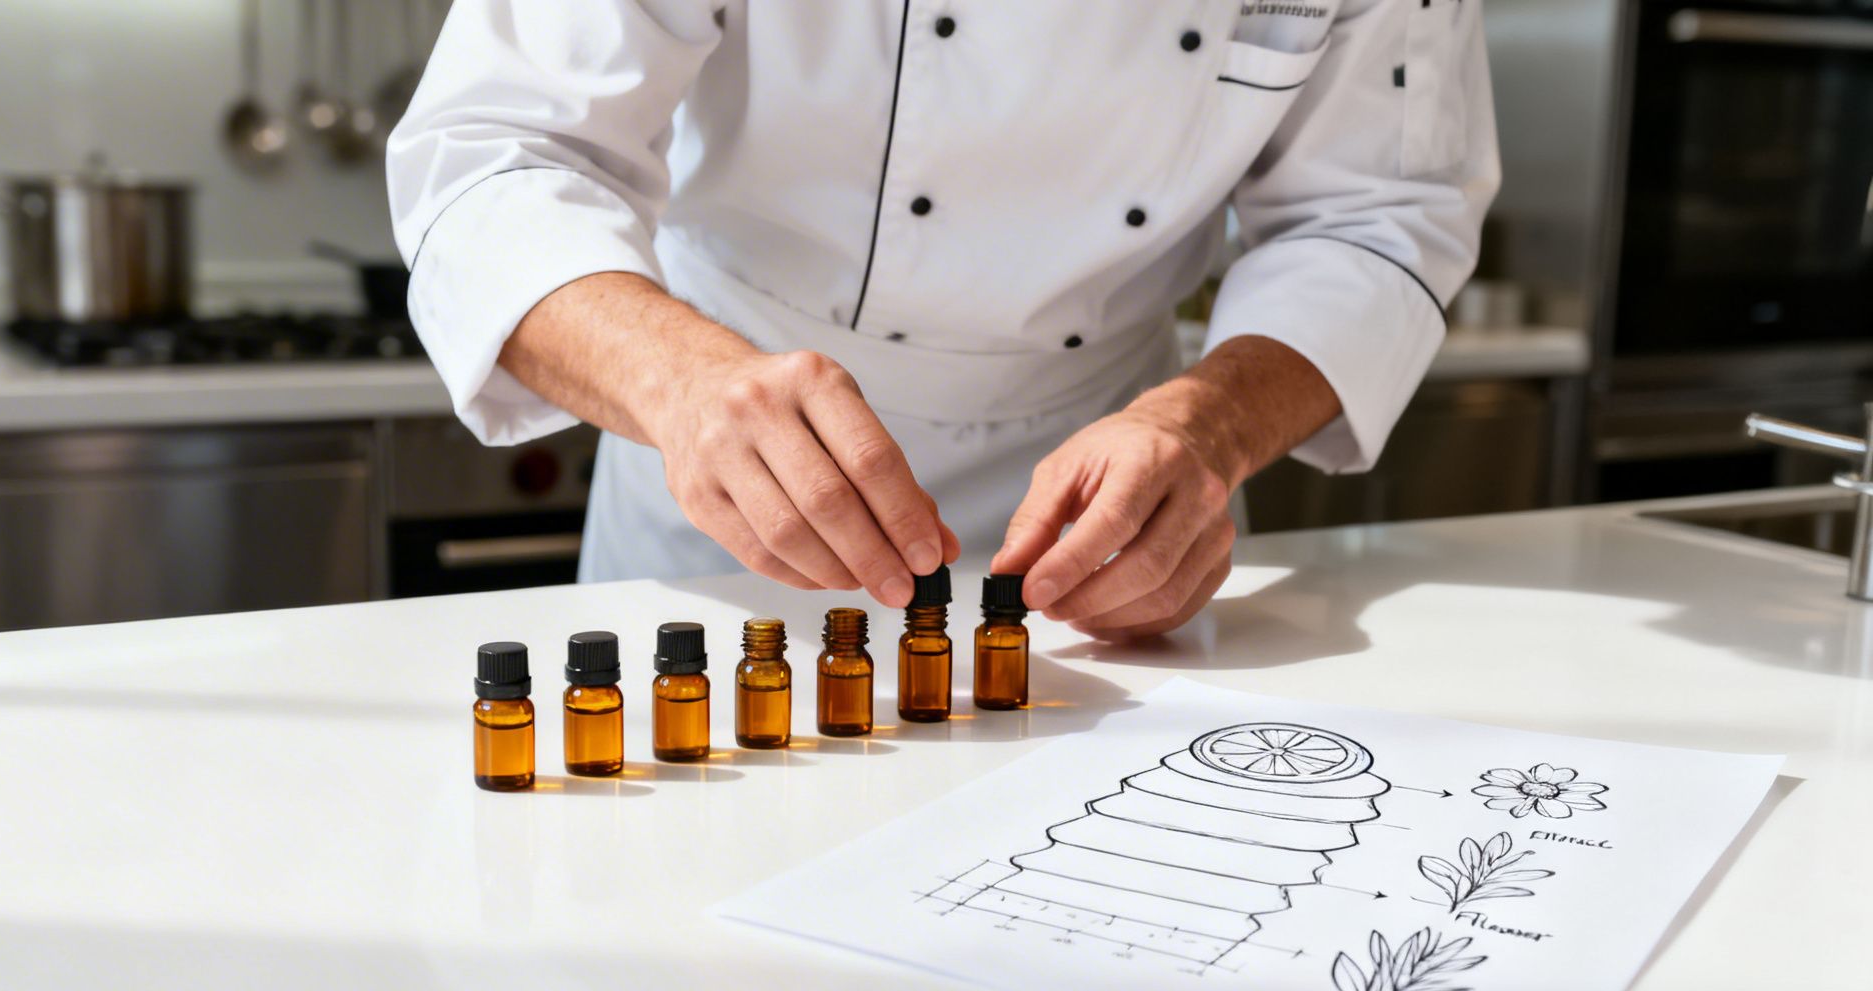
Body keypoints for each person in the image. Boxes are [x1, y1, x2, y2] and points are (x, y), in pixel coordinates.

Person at [387, 2, 1496, 641]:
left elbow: (1377, 217)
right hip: (724, 502)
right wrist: (681, 388)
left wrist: (1207, 429)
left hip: (1114, 524)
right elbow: (493, 155)